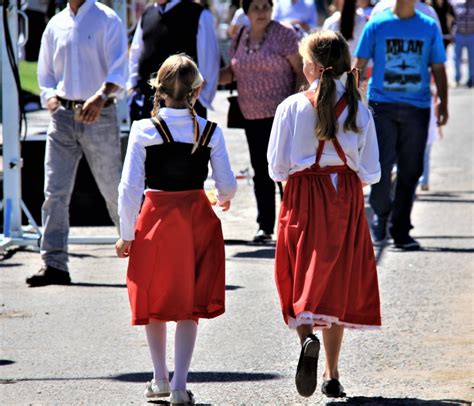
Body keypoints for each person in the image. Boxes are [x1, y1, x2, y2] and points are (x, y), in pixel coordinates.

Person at [116, 54, 237, 405]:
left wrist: (127, 233)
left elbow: (129, 188)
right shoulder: (210, 131)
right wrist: (223, 198)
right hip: (197, 218)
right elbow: (226, 185)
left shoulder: (143, 129)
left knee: (154, 299)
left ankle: (159, 378)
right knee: (189, 304)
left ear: (159, 90)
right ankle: (181, 385)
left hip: (155, 218)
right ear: (198, 91)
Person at [268, 30, 382, 399]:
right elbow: (372, 171)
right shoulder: (360, 109)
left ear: (314, 66)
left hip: (303, 193)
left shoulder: (291, 106)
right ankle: (332, 373)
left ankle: (306, 339)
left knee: (299, 273)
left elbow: (276, 166)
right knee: (338, 279)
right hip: (344, 195)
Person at [26, 0, 128, 287]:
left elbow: (120, 67)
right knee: (54, 191)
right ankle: (54, 264)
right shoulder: (55, 24)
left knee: (113, 190)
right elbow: (45, 71)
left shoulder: (107, 19)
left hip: (100, 113)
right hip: (62, 116)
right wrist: (49, 97)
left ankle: (143, 257)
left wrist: (102, 96)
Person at [355, 0, 449, 250]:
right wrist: (351, 101)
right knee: (380, 167)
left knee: (411, 170)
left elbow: (438, 66)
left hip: (417, 107)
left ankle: (401, 228)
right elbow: (360, 64)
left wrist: (444, 103)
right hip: (382, 106)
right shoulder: (376, 24)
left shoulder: (428, 26)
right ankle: (381, 213)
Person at [219, 0, 304, 243]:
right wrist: (202, 79)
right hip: (251, 115)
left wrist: (297, 104)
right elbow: (231, 72)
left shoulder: (284, 34)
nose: (261, 12)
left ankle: (295, 225)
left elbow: (300, 70)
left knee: (286, 172)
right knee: (261, 171)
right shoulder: (240, 36)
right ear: (245, 12)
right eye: (255, 7)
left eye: (266, 6)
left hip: (282, 116)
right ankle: (265, 227)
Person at [127, 0, 220, 121]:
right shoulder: (148, 13)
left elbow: (210, 64)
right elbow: (136, 53)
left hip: (186, 109)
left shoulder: (198, 14)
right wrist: (132, 89)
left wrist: (201, 101)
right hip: (147, 106)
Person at [452, 0, 474, 87]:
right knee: (456, 58)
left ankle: (471, 79)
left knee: (471, 59)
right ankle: (457, 78)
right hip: (459, 35)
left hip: (471, 35)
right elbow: (454, 19)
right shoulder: (458, 5)